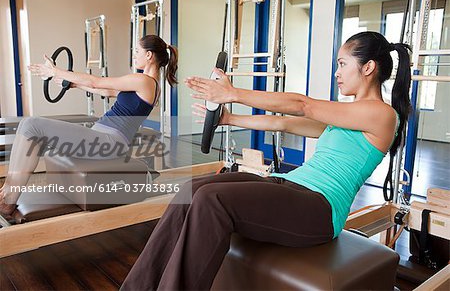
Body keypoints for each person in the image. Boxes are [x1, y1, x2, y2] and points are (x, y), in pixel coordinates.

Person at [120, 31, 411, 290]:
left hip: (320, 209)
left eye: (342, 64)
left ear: (368, 68)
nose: (337, 72)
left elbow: (303, 105)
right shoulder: (345, 117)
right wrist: (229, 117)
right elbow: (283, 123)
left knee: (212, 199)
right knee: (191, 190)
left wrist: (233, 93)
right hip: (291, 185)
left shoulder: (382, 115)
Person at [0, 35, 178, 217]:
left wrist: (56, 71)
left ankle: (8, 197)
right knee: (29, 127)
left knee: (32, 124)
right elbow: (104, 90)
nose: (134, 55)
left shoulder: (144, 81)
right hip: (103, 137)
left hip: (108, 142)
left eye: (137, 51)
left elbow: (96, 81)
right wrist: (71, 84)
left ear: (149, 55)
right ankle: (7, 191)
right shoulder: (145, 83)